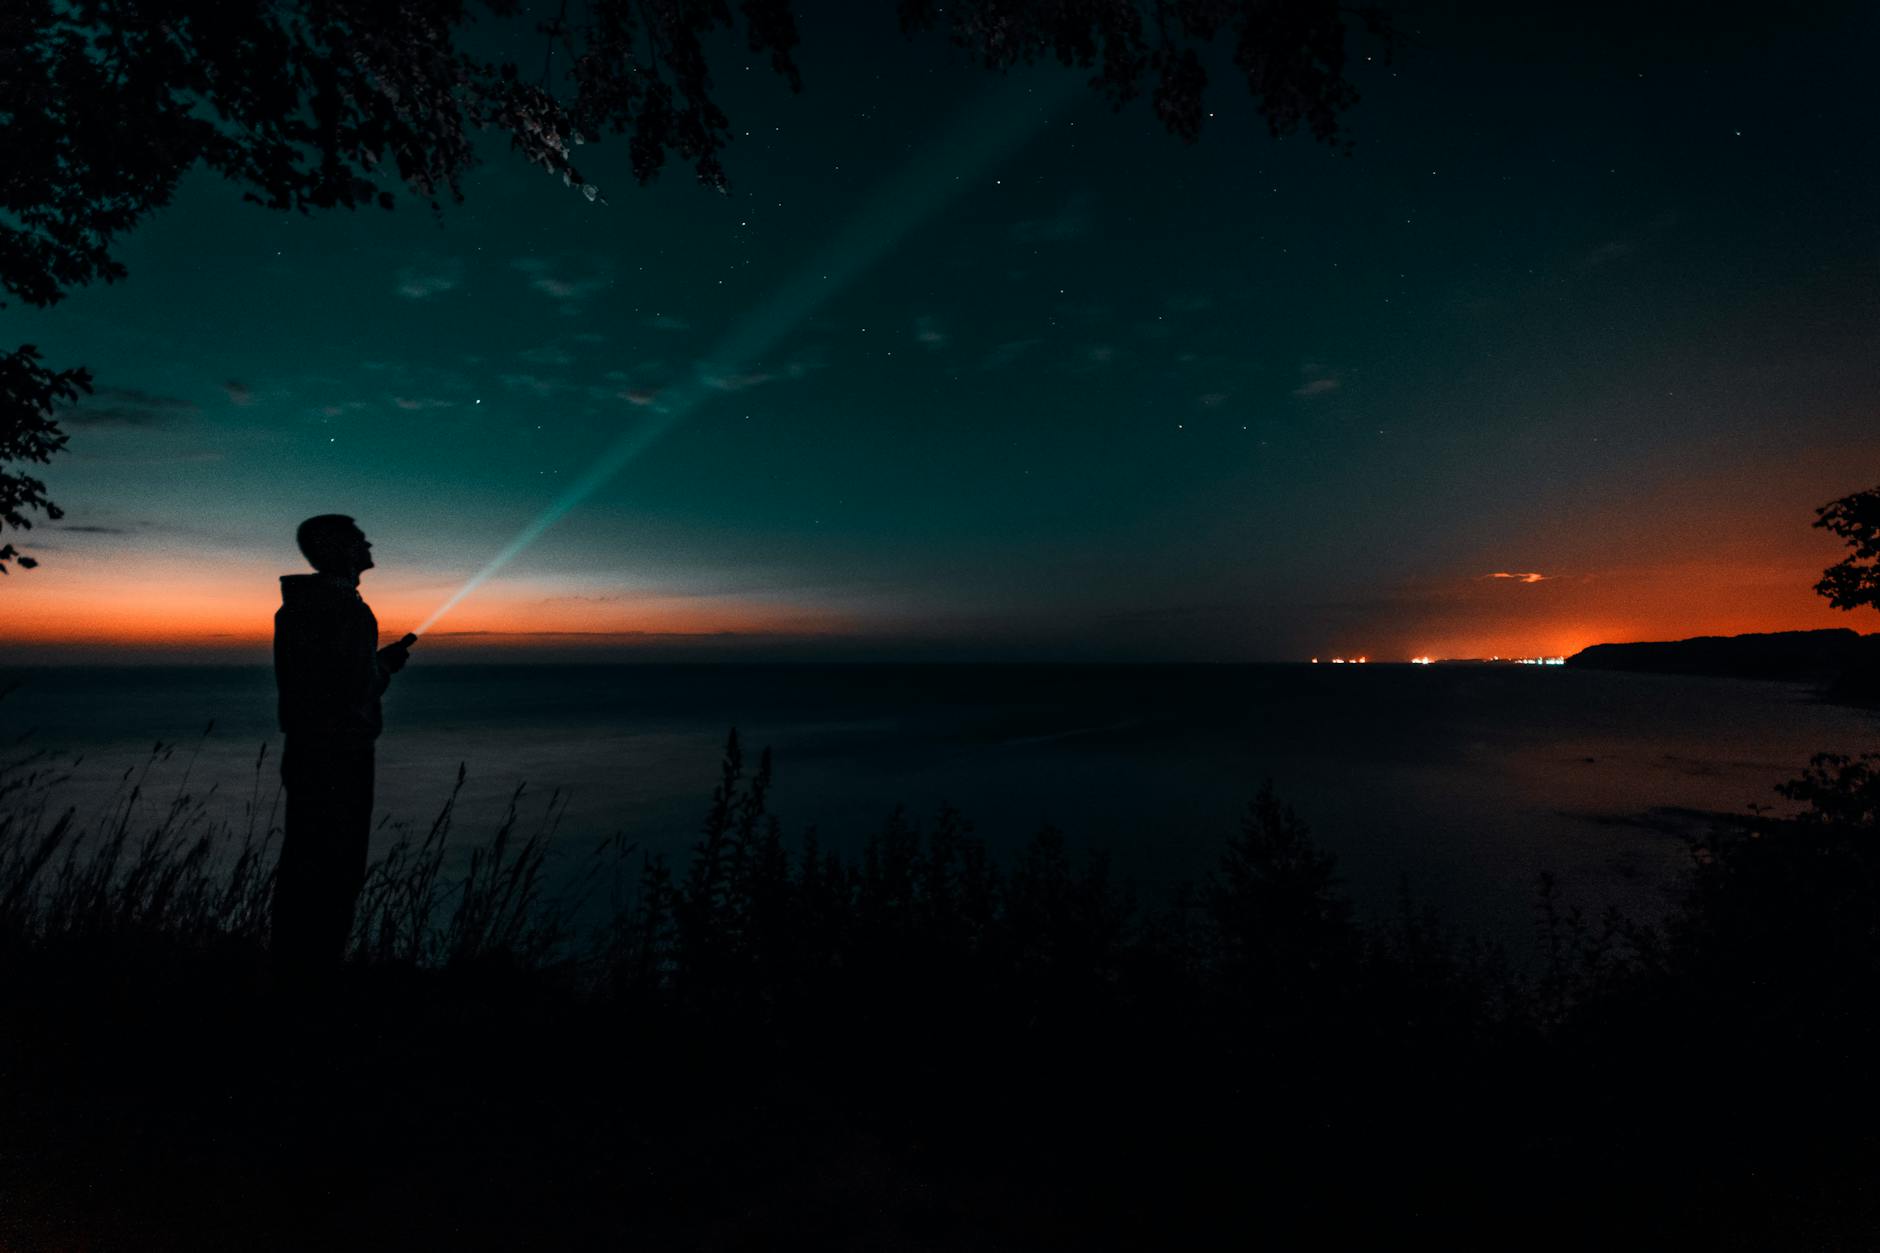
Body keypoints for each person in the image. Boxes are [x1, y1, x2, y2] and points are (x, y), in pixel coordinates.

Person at [271, 514, 415, 985]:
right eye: (358, 538)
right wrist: (383, 669)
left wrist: (374, 664)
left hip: (306, 750)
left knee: (304, 860)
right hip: (342, 754)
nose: (368, 543)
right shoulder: (346, 610)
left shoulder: (297, 607)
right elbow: (353, 689)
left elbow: (324, 679)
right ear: (337, 549)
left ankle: (290, 970)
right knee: (337, 865)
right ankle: (315, 979)